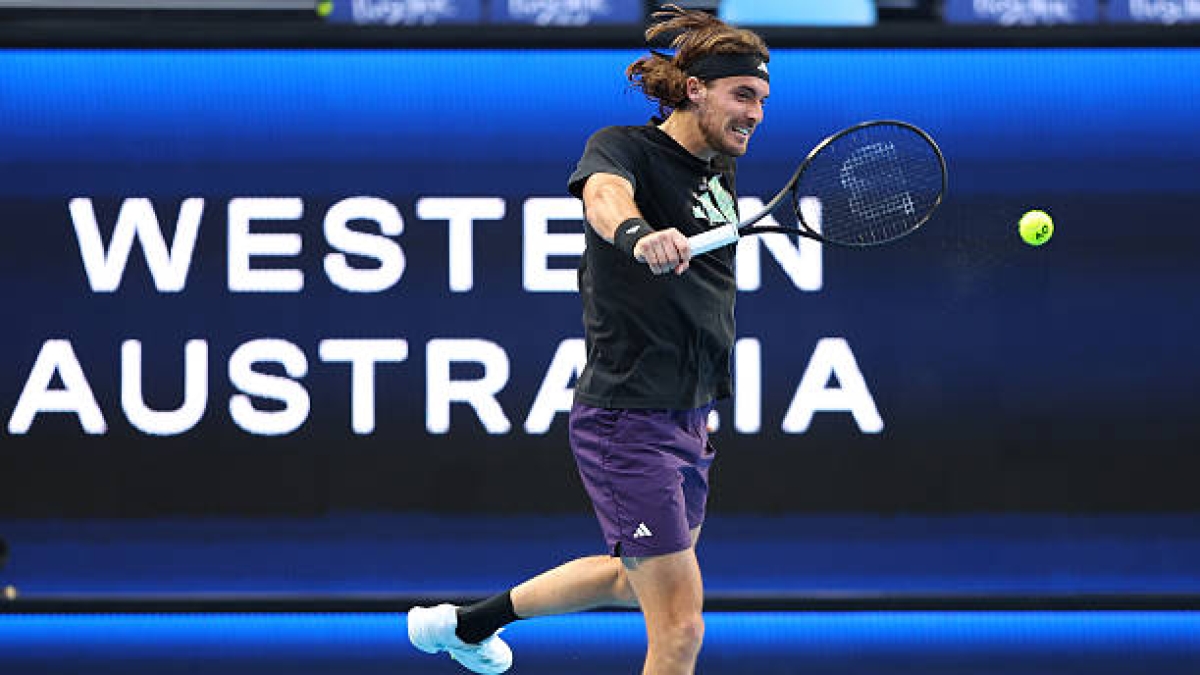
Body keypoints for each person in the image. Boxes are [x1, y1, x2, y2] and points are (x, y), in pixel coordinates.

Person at [407, 5, 770, 674]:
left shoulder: (719, 168)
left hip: (688, 412)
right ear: (696, 89)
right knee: (681, 628)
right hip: (630, 418)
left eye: (763, 99)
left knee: (628, 579)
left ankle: (464, 625)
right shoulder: (623, 147)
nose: (756, 112)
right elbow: (604, 196)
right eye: (742, 94)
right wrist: (638, 236)